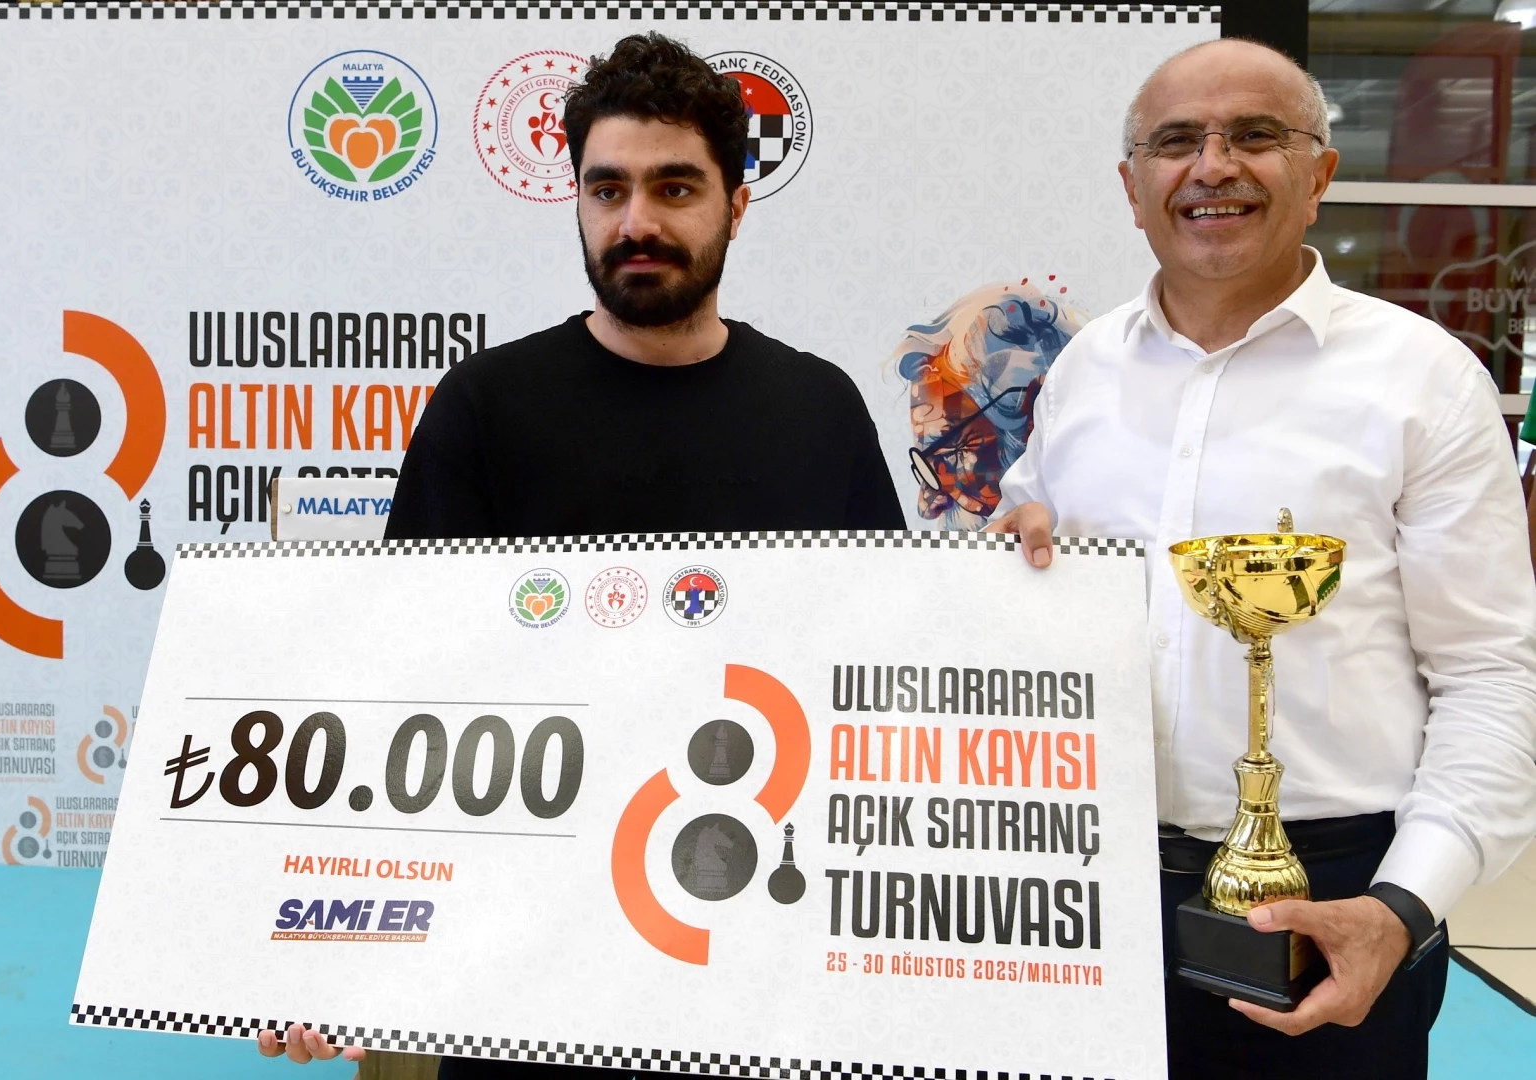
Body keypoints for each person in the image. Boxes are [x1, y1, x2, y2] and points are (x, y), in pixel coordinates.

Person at [256, 31, 904, 1074]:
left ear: (738, 204)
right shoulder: (485, 406)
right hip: (522, 968)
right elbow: (396, 687)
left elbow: (890, 679)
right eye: (607, 190)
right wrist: (335, 951)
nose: (635, 221)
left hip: (760, 965)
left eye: (674, 187)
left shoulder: (819, 408)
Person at [991, 38, 1536, 1080]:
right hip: (1083, 882)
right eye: (1175, 142)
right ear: (1132, 189)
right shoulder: (1084, 371)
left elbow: (1489, 675)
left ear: (1318, 175)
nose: (1213, 166)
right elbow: (1030, 533)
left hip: (1338, 895)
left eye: (1254, 135)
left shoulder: (1422, 380)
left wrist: (1401, 905)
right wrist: (1007, 563)